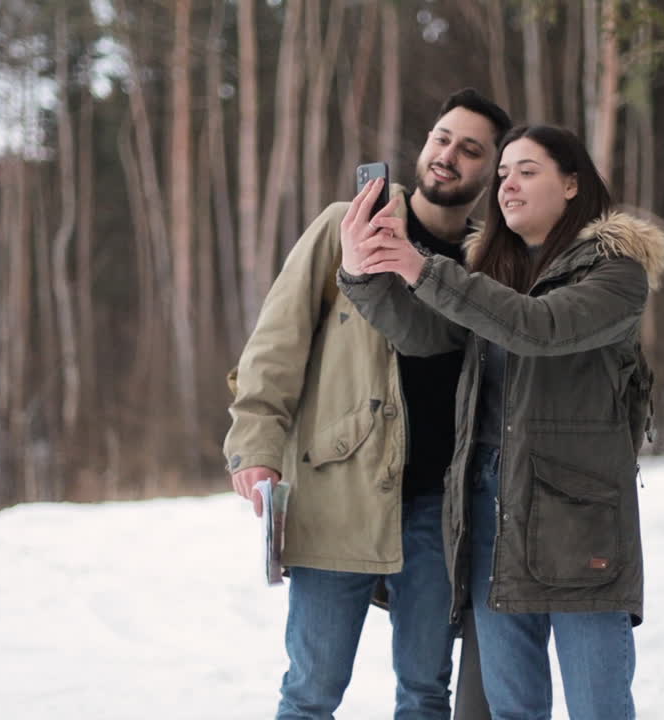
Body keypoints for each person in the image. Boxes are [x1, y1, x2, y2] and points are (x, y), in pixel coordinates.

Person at [337, 124, 664, 720]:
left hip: (580, 519)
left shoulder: (618, 274)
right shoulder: (489, 278)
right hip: (491, 510)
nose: (505, 185)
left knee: (599, 708)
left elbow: (538, 327)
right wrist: (367, 272)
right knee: (511, 711)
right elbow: (425, 335)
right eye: (501, 174)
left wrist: (423, 269)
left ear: (572, 184)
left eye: (526, 171)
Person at [224, 88, 511, 720]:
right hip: (339, 492)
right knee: (311, 691)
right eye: (442, 138)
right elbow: (275, 346)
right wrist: (254, 446)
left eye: (470, 150)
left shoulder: (485, 261)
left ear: (491, 171)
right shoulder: (345, 225)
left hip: (441, 506)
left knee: (425, 693)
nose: (448, 156)